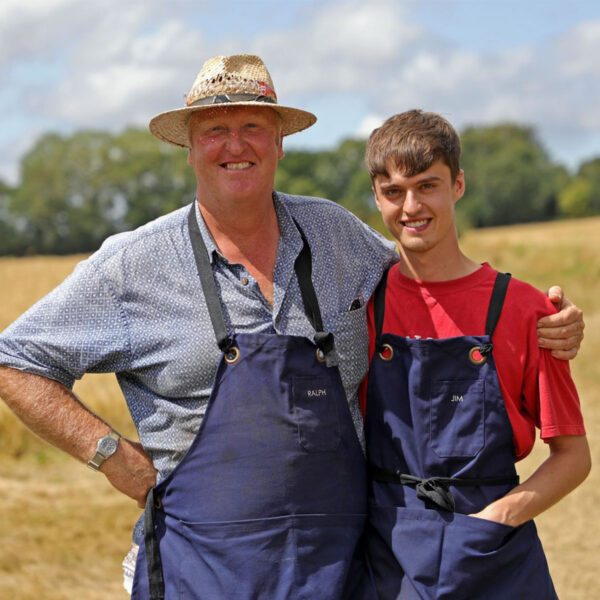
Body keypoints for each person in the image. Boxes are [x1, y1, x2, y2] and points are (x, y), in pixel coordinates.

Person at [0, 56, 583, 600]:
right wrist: (112, 455)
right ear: (189, 148)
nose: (235, 145)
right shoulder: (133, 266)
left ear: (279, 141)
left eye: (253, 126)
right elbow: (15, 360)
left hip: (344, 570)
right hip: (200, 572)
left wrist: (540, 318)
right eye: (214, 130)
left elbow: (429, 273)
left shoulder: (335, 235)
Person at [360, 109, 591, 600]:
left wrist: (494, 520)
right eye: (393, 191)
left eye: (428, 186)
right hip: (386, 555)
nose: (411, 206)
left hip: (494, 559)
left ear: (458, 185)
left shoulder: (526, 309)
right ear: (377, 196)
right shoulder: (363, 305)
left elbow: (573, 457)